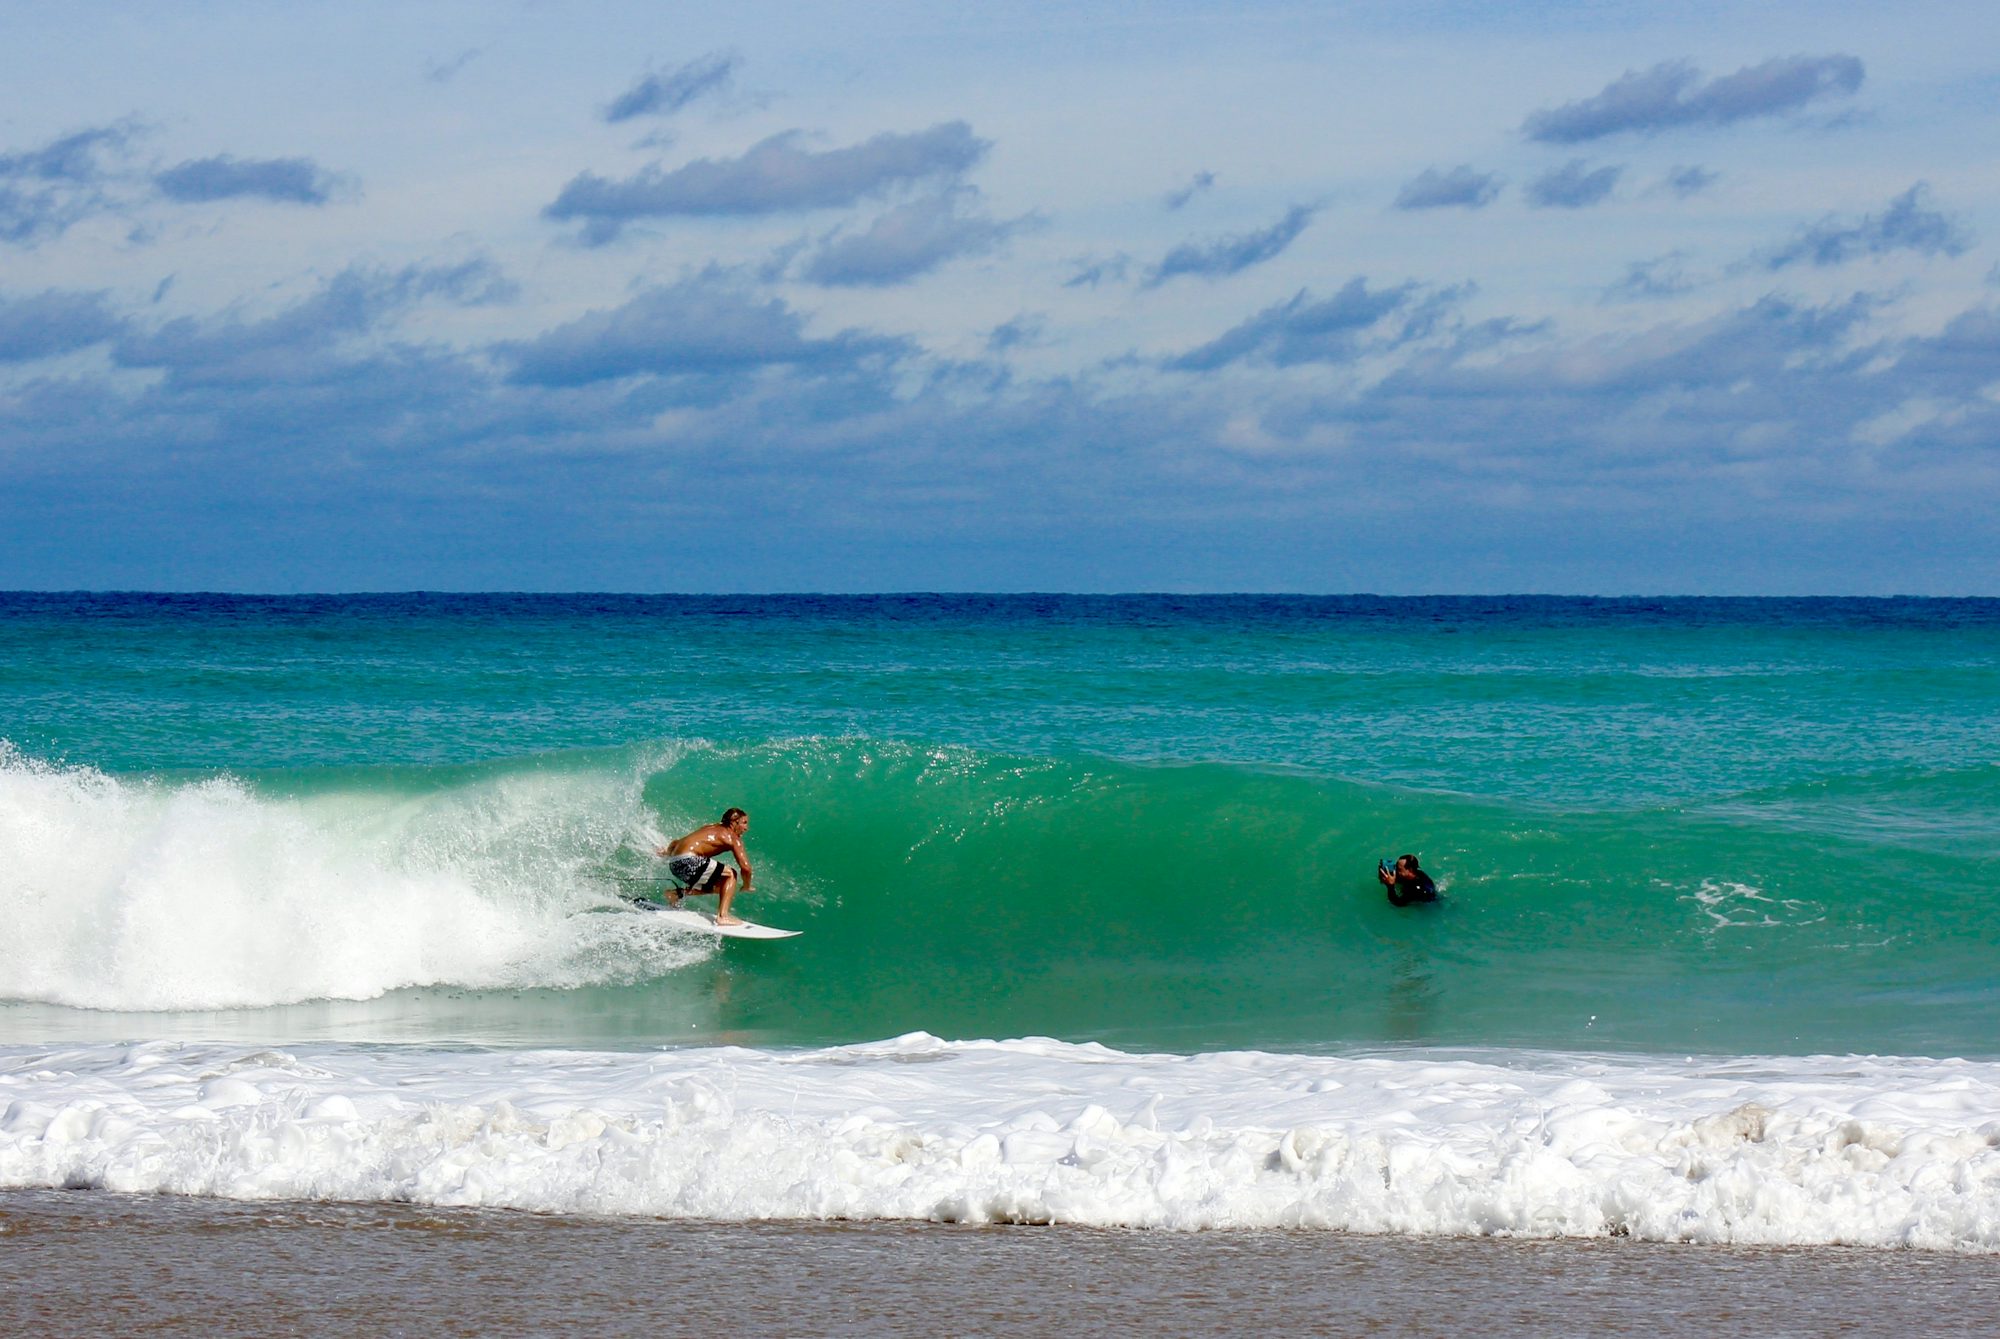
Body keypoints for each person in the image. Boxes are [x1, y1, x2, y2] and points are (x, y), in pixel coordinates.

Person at [657, 808, 755, 925]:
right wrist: (746, 885)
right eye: (744, 823)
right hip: (690, 861)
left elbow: (676, 843)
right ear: (734, 822)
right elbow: (746, 868)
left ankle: (676, 894)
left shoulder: (709, 827)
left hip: (675, 864)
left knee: (724, 887)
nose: (746, 828)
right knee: (731, 874)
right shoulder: (732, 837)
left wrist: (666, 853)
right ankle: (723, 916)